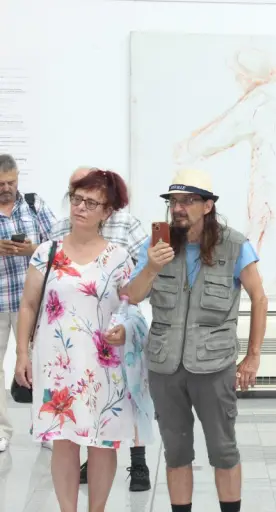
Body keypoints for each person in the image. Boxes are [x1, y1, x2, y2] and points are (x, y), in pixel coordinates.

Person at [124, 169, 268, 512]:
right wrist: (151, 267)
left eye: (188, 200)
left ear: (207, 206)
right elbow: (132, 295)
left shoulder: (234, 245)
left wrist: (253, 356)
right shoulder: (156, 246)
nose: (178, 208)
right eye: (174, 201)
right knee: (176, 452)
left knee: (223, 450)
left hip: (214, 365)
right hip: (165, 365)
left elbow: (259, 298)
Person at [14, 170, 134, 512]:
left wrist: (125, 329)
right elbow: (29, 305)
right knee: (63, 440)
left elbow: (130, 308)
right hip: (55, 363)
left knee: (102, 442)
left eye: (91, 203)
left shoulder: (119, 257)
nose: (80, 207)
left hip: (103, 364)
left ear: (107, 212)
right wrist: (22, 353)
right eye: (77, 199)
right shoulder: (46, 252)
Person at [50, 166, 152, 491]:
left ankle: (138, 462)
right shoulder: (60, 228)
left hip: (115, 327)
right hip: (74, 332)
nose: (78, 202)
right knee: (83, 404)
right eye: (73, 193)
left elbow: (140, 274)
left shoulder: (127, 226)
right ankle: (87, 459)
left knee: (125, 399)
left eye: (86, 195)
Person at [0, 153, 56, 453]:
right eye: (0, 183)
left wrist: (31, 249)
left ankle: (46, 428)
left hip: (33, 302)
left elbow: (59, 246)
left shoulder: (35, 205)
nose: (6, 188)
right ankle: (1, 431)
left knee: (41, 365)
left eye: (11, 182)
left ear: (18, 178)